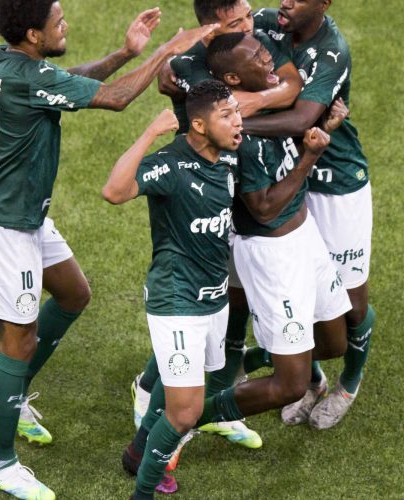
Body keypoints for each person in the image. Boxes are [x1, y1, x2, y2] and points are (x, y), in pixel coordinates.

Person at [0, 1, 216, 497]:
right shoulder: (28, 76)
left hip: (23, 215)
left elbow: (65, 79)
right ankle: (2, 463)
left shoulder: (0, 61)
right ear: (33, 35)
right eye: (57, 22)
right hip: (0, 226)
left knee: (74, 294)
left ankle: (6, 396)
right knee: (19, 340)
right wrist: (166, 51)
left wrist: (123, 52)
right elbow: (115, 100)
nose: (65, 24)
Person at [129, 0, 305, 458]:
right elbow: (178, 84)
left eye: (248, 17)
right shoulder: (187, 67)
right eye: (235, 23)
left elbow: (291, 88)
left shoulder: (254, 41)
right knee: (192, 310)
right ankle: (151, 390)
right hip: (204, 202)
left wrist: (258, 97)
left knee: (229, 308)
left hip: (233, 199)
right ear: (209, 31)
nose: (248, 30)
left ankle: (217, 406)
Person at [102, 80, 243, 500]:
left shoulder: (229, 159)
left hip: (214, 297)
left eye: (237, 111)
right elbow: (114, 191)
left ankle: (138, 451)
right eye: (226, 115)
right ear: (198, 124)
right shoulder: (171, 165)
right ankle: (141, 492)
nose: (238, 121)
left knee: (197, 384)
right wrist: (148, 133)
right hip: (176, 300)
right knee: (186, 411)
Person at [241, 0, 376, 430]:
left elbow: (303, 117)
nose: (285, 1)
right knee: (302, 294)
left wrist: (234, 120)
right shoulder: (262, 21)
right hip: (287, 179)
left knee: (351, 308)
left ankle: (348, 384)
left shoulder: (331, 50)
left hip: (335, 184)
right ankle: (312, 378)